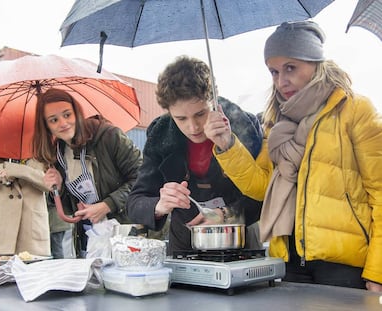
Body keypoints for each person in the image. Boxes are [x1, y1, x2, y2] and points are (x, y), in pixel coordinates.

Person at [211, 21, 382, 291]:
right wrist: (227, 144)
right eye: (274, 71)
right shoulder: (277, 120)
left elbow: (380, 196)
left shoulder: (355, 110)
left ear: (315, 63)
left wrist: (378, 273)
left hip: (344, 267)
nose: (281, 81)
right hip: (287, 260)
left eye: (291, 68)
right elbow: (261, 187)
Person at [126, 56, 264, 255]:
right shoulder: (159, 134)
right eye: (181, 118)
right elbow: (135, 202)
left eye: (200, 114)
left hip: (239, 236)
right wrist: (159, 204)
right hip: (184, 240)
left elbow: (265, 195)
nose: (193, 127)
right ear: (169, 113)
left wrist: (228, 214)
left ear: (215, 101)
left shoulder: (245, 126)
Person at [32, 88, 143, 258]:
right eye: (53, 120)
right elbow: (69, 208)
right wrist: (59, 188)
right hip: (90, 237)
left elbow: (142, 178)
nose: (63, 123)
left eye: (67, 115)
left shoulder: (109, 136)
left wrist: (107, 205)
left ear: (76, 112)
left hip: (129, 231)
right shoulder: (57, 155)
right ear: (46, 126)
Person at [0, 157, 51, 256]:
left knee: (32, 269)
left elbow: (51, 185)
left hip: (30, 232)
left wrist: (19, 170)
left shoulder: (40, 153)